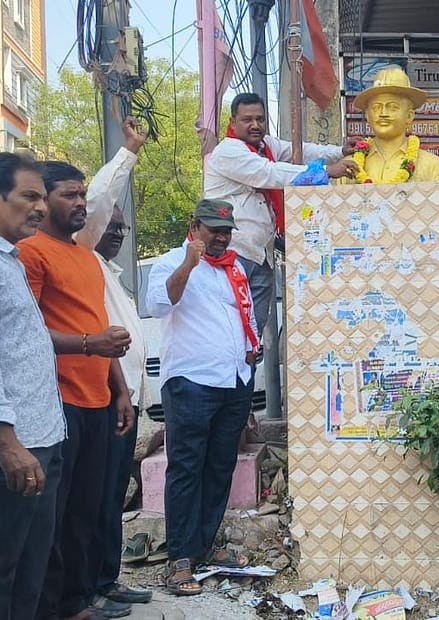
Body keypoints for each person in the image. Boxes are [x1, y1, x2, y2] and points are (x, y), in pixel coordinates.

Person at [19, 158, 136, 620]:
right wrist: (90, 343)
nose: (80, 203)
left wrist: (122, 389)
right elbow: (28, 331)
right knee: (57, 517)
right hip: (58, 401)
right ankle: (55, 607)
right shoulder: (31, 253)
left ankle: (80, 599)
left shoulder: (86, 258)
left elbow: (97, 325)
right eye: (69, 194)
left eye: (82, 194)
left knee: (89, 509)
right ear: (43, 200)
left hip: (99, 399)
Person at [146, 199, 260, 596]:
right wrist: (189, 264)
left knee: (218, 468)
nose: (222, 237)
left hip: (234, 382)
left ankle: (205, 549)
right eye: (214, 230)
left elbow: (244, 318)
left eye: (227, 231)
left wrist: (249, 361)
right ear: (195, 227)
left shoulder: (235, 267)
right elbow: (159, 302)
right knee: (186, 469)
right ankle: (179, 559)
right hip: (191, 383)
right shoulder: (171, 262)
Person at [72, 118, 153, 608]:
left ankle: (107, 580)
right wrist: (127, 154)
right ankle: (89, 591)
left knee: (108, 502)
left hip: (122, 402)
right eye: (112, 228)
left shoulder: (105, 270)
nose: (116, 234)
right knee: (91, 503)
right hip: (95, 399)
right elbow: (99, 202)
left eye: (123, 230)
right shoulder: (78, 251)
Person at [203, 92, 359, 336]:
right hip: (232, 254)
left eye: (260, 119)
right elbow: (271, 174)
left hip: (260, 254)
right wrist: (327, 172)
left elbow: (302, 151)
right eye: (247, 120)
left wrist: (339, 151)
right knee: (230, 332)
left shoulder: (265, 146)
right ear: (233, 123)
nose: (255, 125)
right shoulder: (229, 151)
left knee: (252, 335)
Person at [0, 153, 67, 620]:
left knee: (31, 566)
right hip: (18, 443)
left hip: (44, 435)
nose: (40, 207)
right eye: (29, 196)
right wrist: (8, 442)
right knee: (6, 567)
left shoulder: (12, 260)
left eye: (42, 197)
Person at [347, 65, 439, 184]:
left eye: (392, 107)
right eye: (376, 107)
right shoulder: (350, 167)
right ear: (367, 115)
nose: (383, 113)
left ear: (409, 116)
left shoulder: (431, 165)